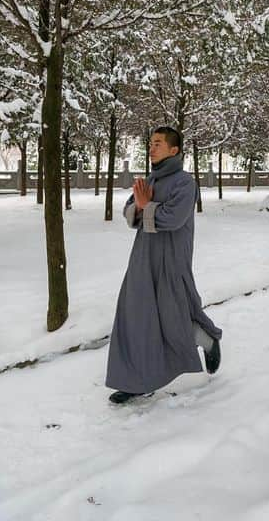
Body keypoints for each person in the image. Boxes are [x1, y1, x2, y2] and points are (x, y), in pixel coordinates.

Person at [105, 126, 222, 404]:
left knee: (173, 314)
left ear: (174, 150)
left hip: (172, 259)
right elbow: (130, 213)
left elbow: (174, 219)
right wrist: (140, 206)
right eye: (151, 143)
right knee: (137, 317)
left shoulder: (185, 183)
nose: (152, 147)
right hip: (143, 258)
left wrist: (146, 206)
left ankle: (207, 339)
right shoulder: (149, 180)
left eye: (158, 143)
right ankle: (137, 381)